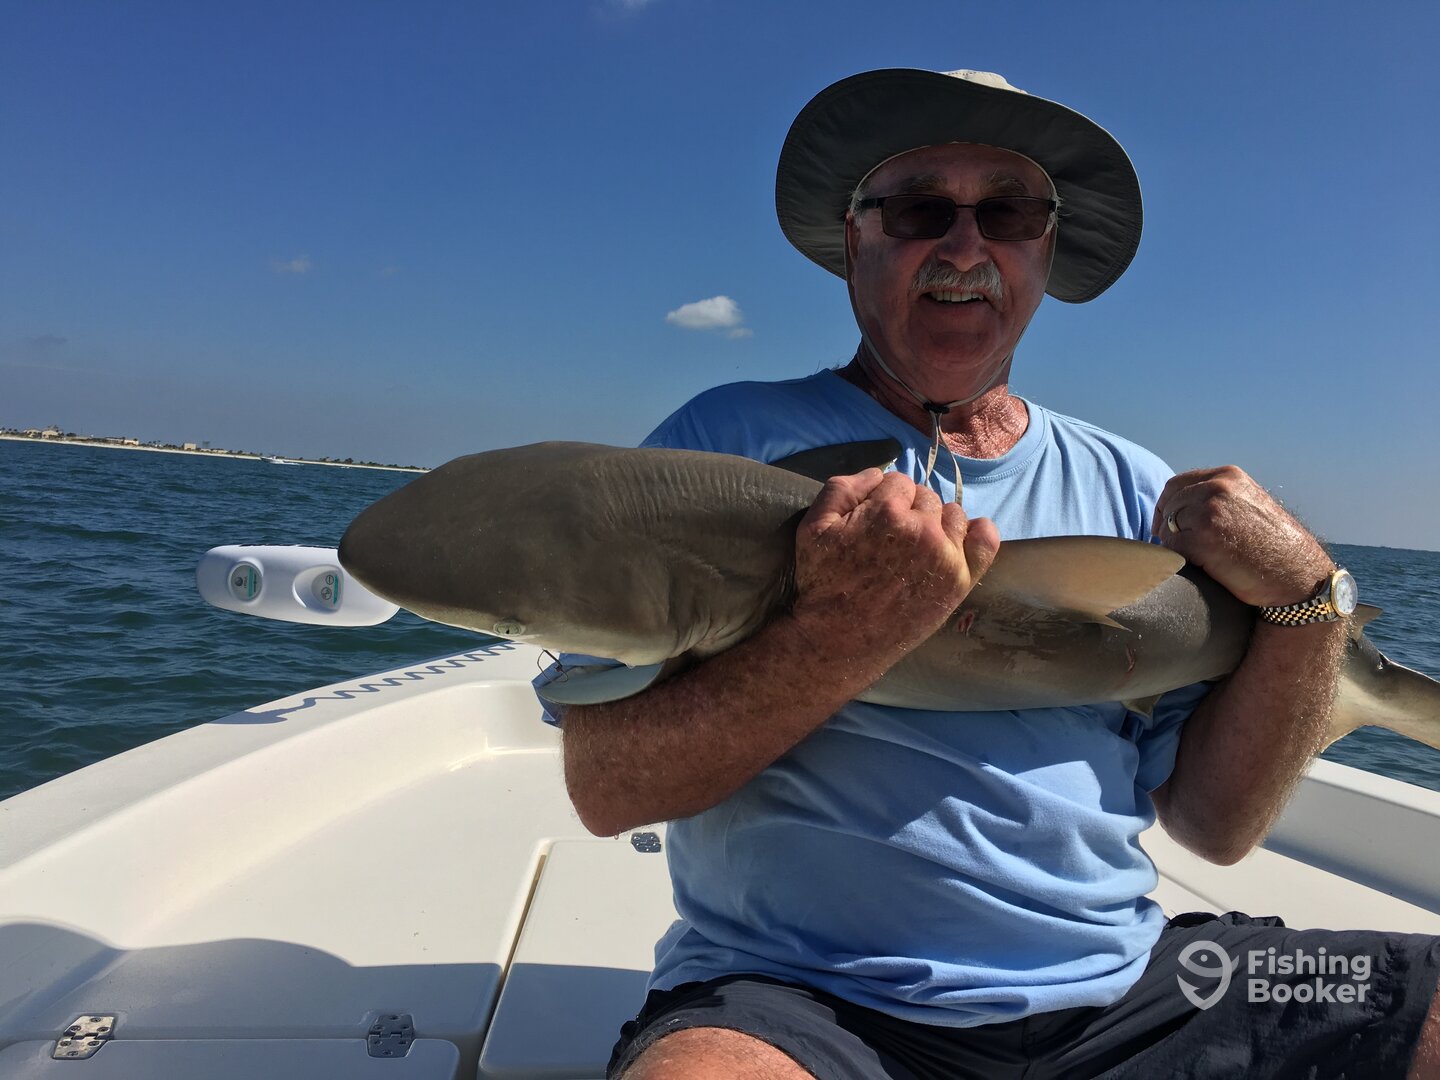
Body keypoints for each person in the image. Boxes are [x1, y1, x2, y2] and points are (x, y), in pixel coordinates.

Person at [536, 68, 1440, 1078]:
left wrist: (1309, 604)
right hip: (803, 998)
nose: (965, 248)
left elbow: (1214, 828)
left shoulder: (1138, 488)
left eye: (1008, 214)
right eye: (920, 209)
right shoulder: (721, 445)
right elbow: (607, 790)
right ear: (856, 242)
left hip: (1133, 992)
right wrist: (840, 633)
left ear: (1044, 250)